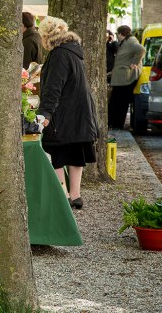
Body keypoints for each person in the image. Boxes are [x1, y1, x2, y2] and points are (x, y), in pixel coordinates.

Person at [36, 16, 98, 210]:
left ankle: (62, 195)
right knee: (74, 151)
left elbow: (53, 88)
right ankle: (75, 195)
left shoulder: (59, 54)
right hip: (80, 111)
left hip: (65, 111)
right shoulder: (73, 51)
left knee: (59, 150)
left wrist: (45, 113)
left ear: (46, 37)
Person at [108, 25, 145, 129]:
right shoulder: (125, 42)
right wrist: (113, 72)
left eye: (117, 34)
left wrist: (135, 63)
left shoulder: (131, 41)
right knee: (115, 102)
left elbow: (141, 50)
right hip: (121, 78)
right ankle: (113, 123)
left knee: (121, 103)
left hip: (126, 79)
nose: (116, 36)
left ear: (121, 34)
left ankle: (117, 125)